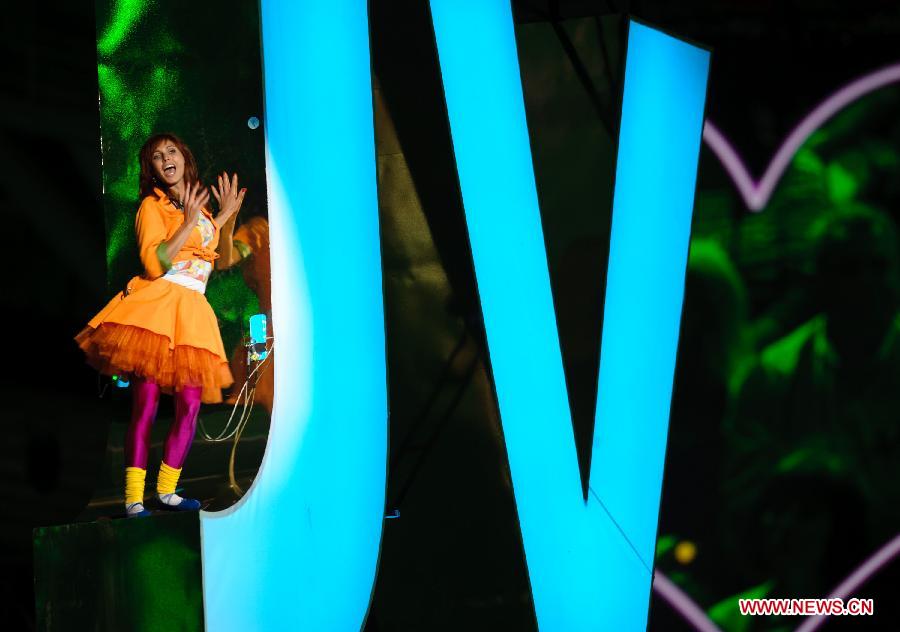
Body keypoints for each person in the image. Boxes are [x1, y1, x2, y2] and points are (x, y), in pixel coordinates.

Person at [76, 132, 246, 517]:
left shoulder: (198, 210)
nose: (166, 158)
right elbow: (156, 264)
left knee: (188, 407)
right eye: (157, 156)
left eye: (172, 151)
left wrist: (226, 216)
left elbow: (224, 260)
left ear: (185, 158)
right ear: (151, 170)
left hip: (192, 312)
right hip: (158, 308)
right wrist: (186, 222)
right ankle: (134, 498)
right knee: (146, 406)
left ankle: (167, 490)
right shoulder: (152, 208)